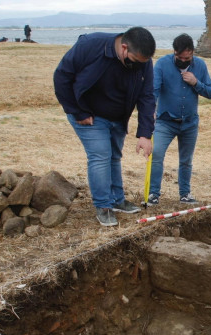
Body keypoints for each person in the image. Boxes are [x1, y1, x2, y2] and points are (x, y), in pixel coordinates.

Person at [53, 27, 156, 226]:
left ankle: (117, 200)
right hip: (88, 115)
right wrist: (77, 111)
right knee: (100, 156)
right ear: (124, 48)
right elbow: (62, 76)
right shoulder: (90, 45)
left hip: (118, 117)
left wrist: (145, 133)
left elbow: (147, 96)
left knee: (114, 156)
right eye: (135, 62)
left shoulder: (143, 61)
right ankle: (103, 206)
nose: (138, 67)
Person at [148, 33, 211, 205]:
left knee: (186, 160)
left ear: (192, 53)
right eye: (180, 57)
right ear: (174, 52)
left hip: (190, 123)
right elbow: (153, 91)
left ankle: (185, 194)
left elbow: (210, 92)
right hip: (165, 121)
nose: (184, 60)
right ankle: (153, 194)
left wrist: (195, 82)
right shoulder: (162, 64)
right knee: (156, 154)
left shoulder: (200, 65)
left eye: (188, 58)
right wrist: (150, 112)